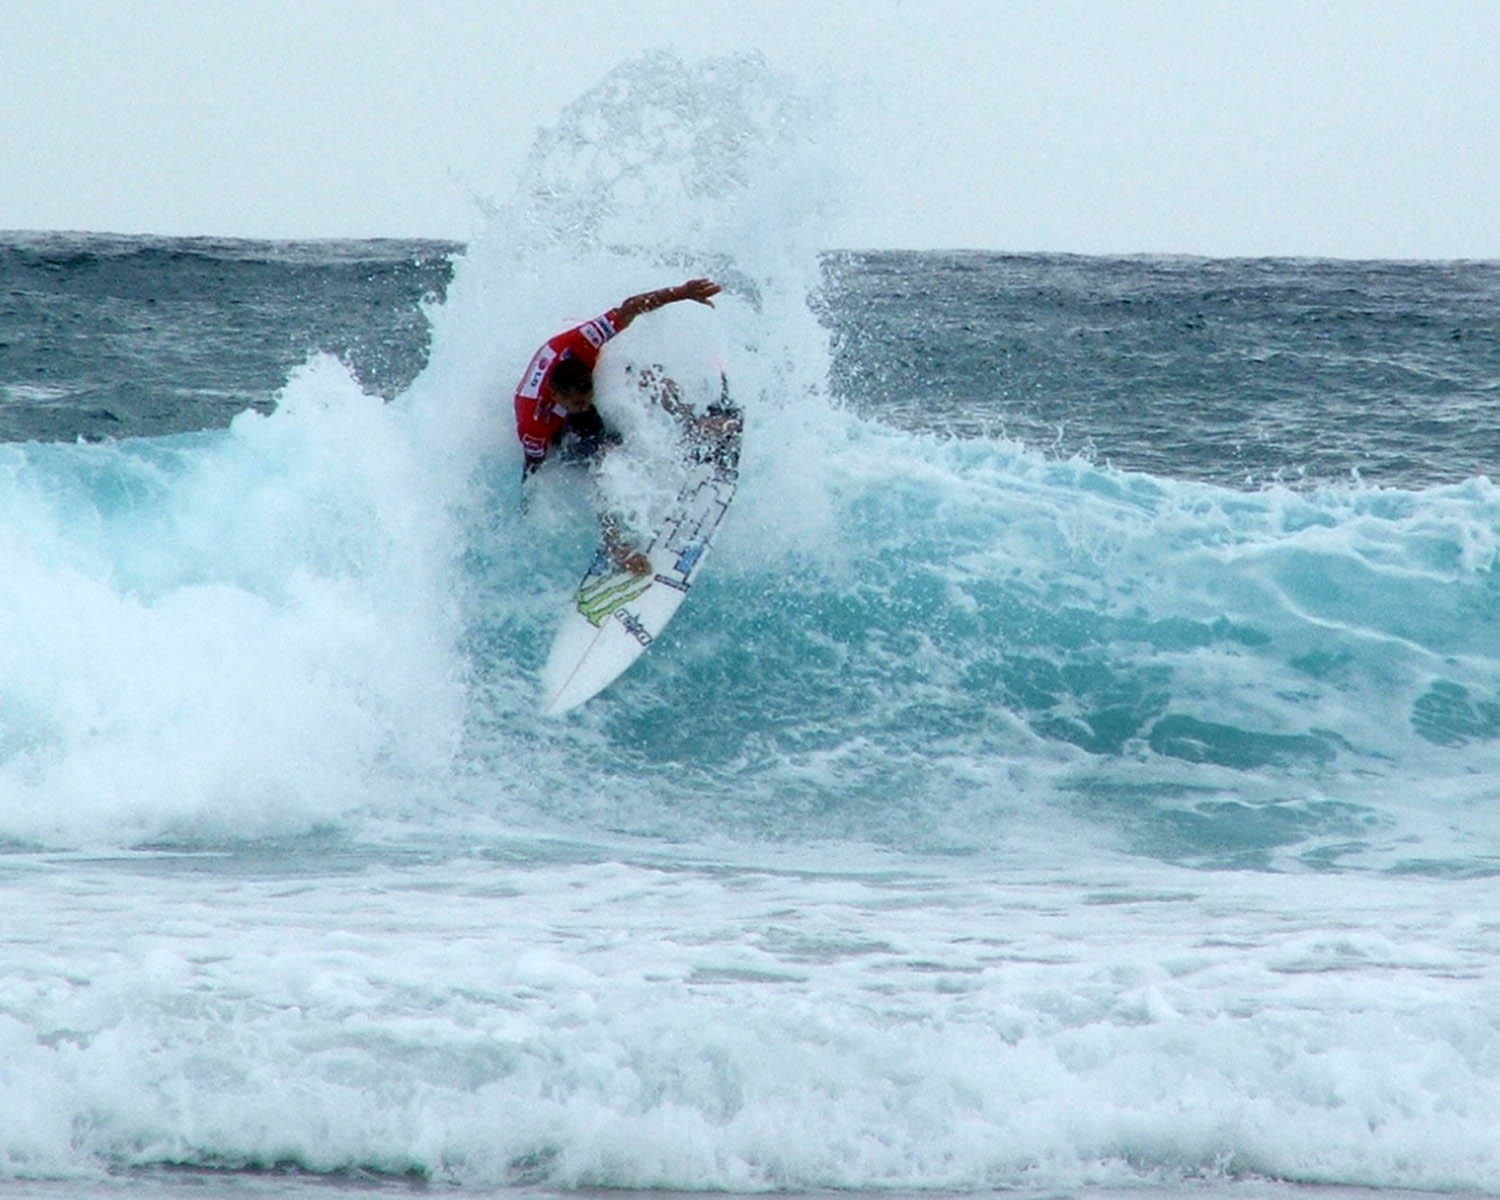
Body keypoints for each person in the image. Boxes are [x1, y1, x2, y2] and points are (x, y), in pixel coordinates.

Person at [513, 277, 721, 573]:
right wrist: (526, 501)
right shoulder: (534, 417)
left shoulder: (581, 344)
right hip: (558, 426)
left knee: (645, 375)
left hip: (574, 373)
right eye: (576, 404)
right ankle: (615, 544)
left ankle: (694, 423)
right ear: (557, 396)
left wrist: (682, 293)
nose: (584, 406)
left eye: (587, 400)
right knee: (601, 455)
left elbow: (631, 307)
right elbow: (532, 465)